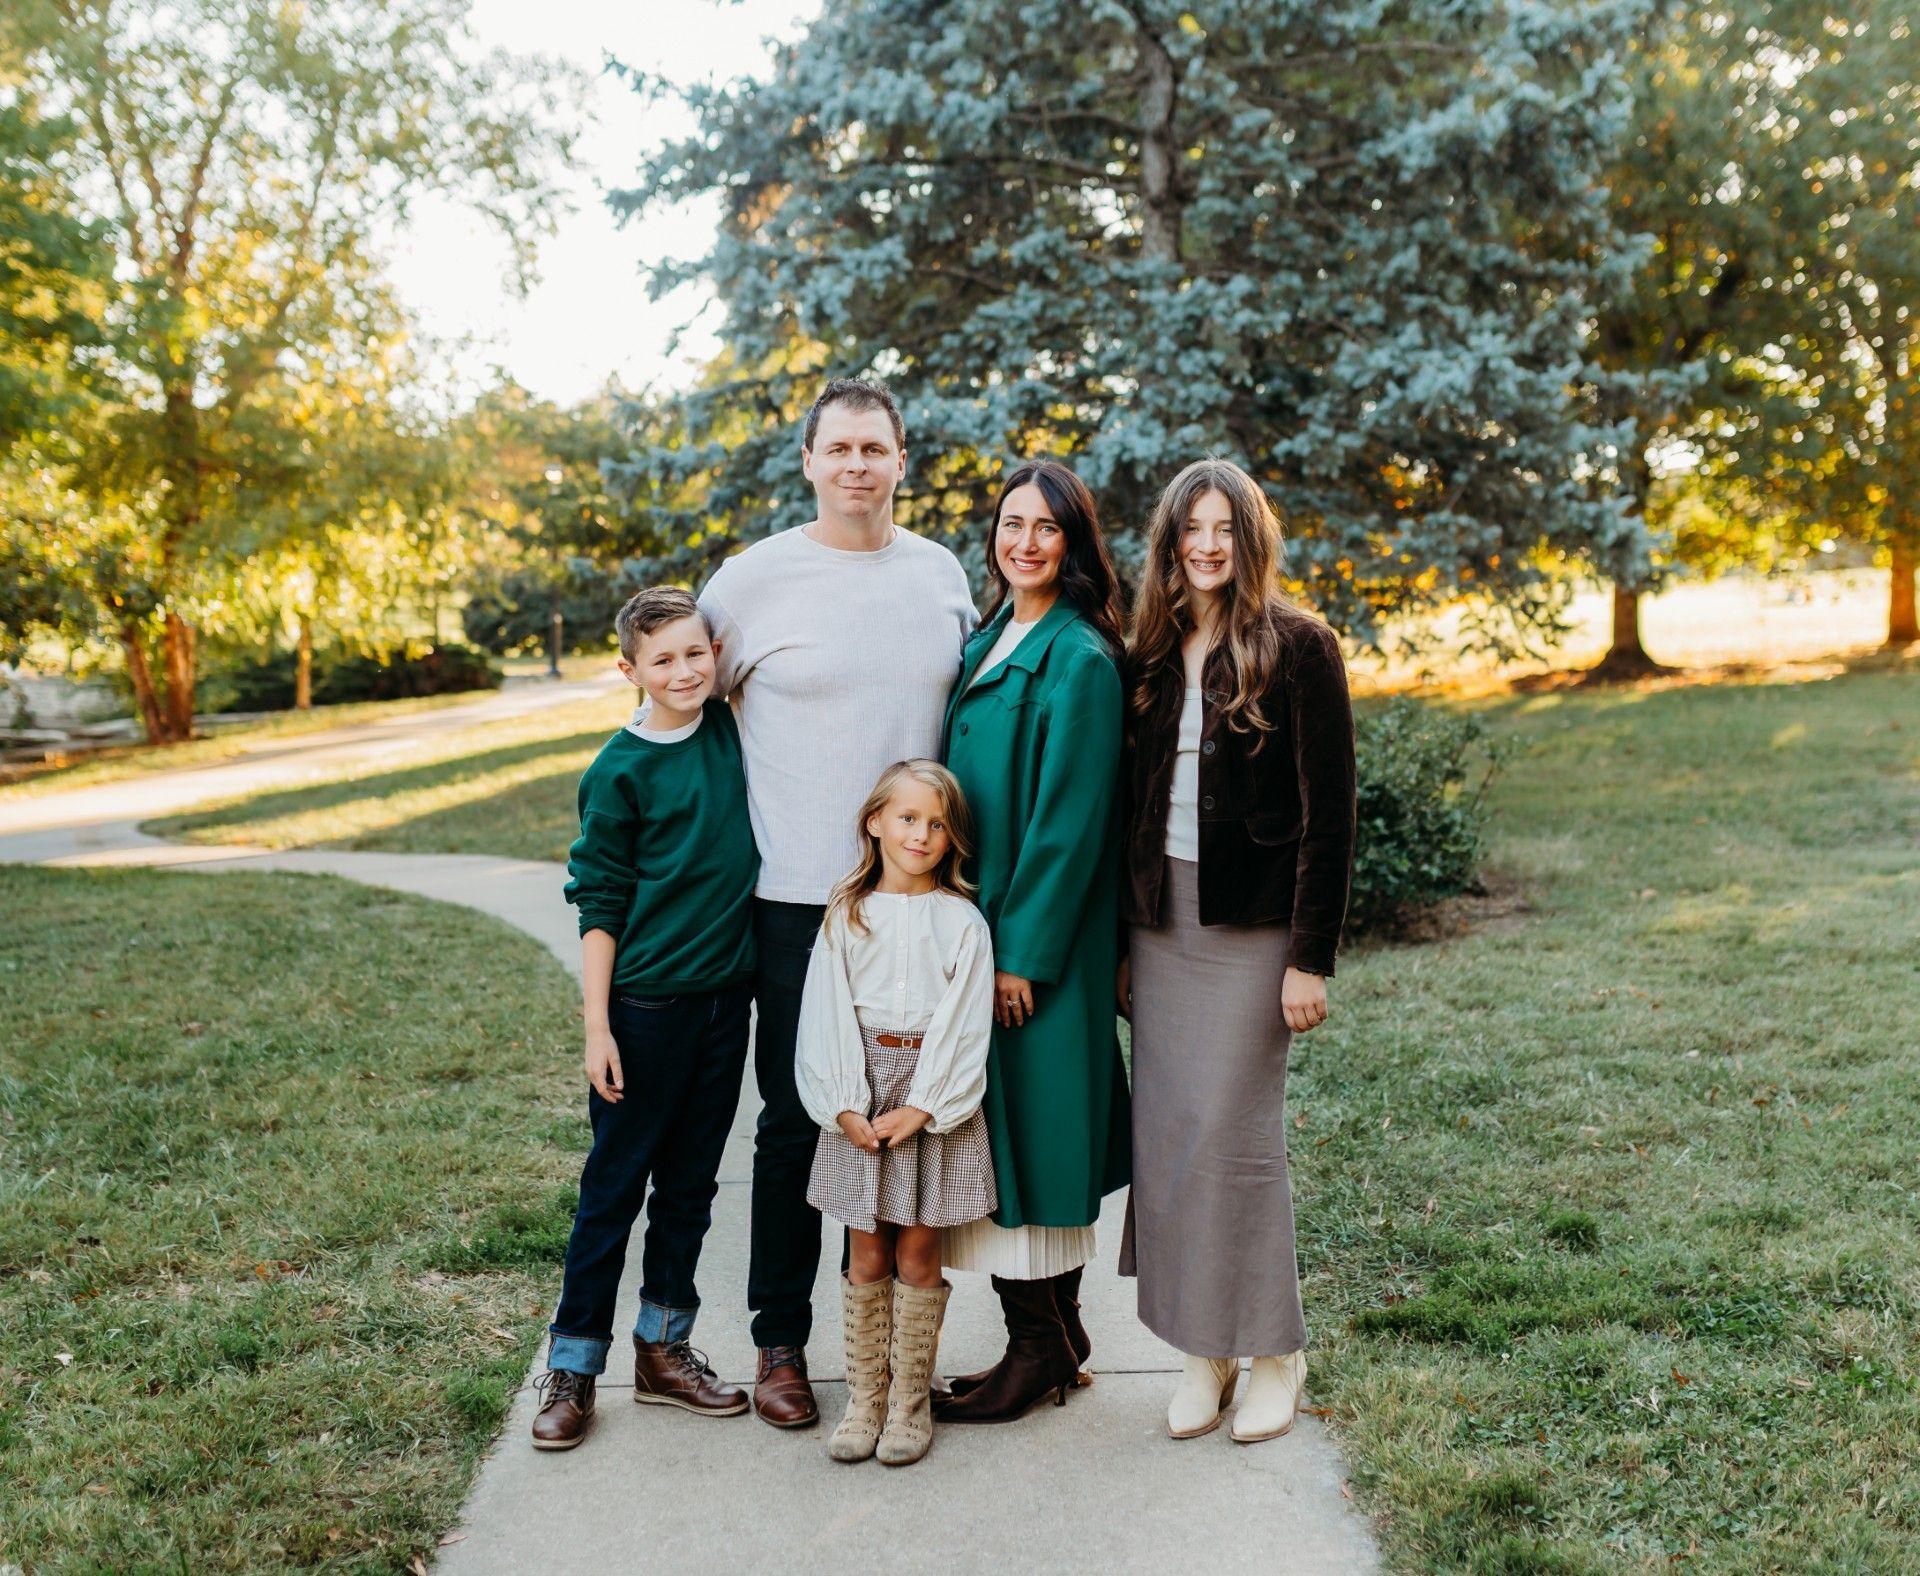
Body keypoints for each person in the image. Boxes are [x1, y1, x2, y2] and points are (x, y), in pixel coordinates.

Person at [693, 377, 978, 1428]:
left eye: (876, 448)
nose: (857, 465)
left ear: (904, 461)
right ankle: (780, 1343)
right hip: (796, 905)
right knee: (797, 1124)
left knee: (926, 1118)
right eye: (838, 448)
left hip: (918, 906)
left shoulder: (943, 574)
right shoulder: (754, 580)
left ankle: (903, 1359)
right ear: (808, 462)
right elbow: (681, 700)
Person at [1117, 457, 1356, 1444]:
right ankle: (1201, 1350)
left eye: (1225, 529)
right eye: (1190, 530)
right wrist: (1120, 945)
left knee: (1234, 1135)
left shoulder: (1299, 646)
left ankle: (1273, 1354)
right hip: (1160, 924)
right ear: (1170, 545)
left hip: (1254, 929)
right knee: (1171, 1134)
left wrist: (1311, 957)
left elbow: (1329, 815)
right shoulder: (1151, 650)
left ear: (1250, 540)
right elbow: (1133, 807)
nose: (1207, 546)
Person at [533, 587, 759, 1450]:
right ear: (629, 670)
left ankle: (664, 1349)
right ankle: (574, 1366)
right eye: (662, 659)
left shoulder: (730, 730)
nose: (684, 670)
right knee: (613, 1191)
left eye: (696, 653)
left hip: (723, 1003)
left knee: (692, 1188)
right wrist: (598, 1025)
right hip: (645, 1010)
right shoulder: (617, 771)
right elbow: (598, 901)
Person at [935, 460, 1132, 1424]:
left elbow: (1069, 822)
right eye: (1012, 523)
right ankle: (1058, 1340)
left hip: (1032, 946)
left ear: (1075, 542)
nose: (1026, 542)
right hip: (983, 933)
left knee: (1035, 1142)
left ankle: (1038, 1348)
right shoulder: (989, 639)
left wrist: (1023, 954)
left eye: (1047, 528)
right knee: (1007, 1136)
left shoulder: (1081, 658)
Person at [795, 760, 996, 1466]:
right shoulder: (846, 916)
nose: (922, 834)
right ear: (874, 821)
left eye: (938, 824)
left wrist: (925, 1104)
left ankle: (910, 1403)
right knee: (866, 1248)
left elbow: (968, 1022)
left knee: (917, 1248)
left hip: (928, 1093)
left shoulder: (962, 921)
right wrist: (844, 1103)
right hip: (861, 1084)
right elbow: (823, 1013)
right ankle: (865, 1399)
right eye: (908, 817)